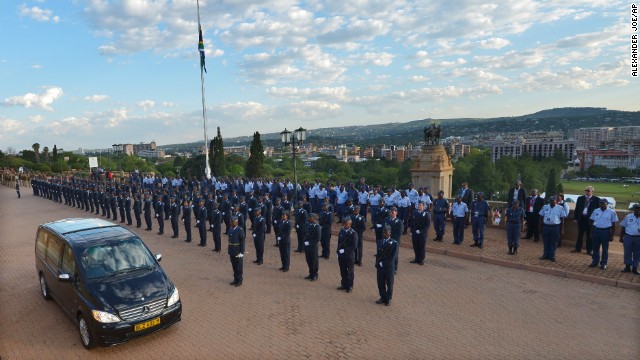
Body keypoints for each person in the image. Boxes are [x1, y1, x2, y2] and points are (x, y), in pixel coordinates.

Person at [588, 199, 618, 270]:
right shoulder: (596, 211)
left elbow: (613, 225)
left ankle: (603, 263)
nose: (601, 205)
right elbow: (592, 222)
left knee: (605, 248)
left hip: (606, 231)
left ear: (607, 204)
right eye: (600, 203)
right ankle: (595, 261)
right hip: (596, 230)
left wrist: (612, 235)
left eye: (603, 203)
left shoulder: (611, 212)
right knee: (595, 247)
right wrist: (591, 233)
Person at [538, 196, 567, 262]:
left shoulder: (560, 208)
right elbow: (541, 217)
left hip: (555, 227)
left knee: (554, 242)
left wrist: (562, 229)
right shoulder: (545, 207)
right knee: (546, 241)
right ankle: (545, 255)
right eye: (550, 201)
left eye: (553, 201)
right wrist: (539, 227)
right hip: (546, 226)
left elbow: (562, 219)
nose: (551, 202)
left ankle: (552, 256)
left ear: (555, 201)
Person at [573, 186, 600, 255]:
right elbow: (577, 208)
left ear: (592, 191)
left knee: (589, 235)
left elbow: (598, 211)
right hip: (581, 218)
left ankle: (589, 250)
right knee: (580, 234)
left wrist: (596, 220)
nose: (587, 192)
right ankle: (578, 248)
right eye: (586, 190)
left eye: (588, 190)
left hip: (590, 219)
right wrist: (575, 218)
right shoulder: (580, 198)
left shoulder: (596, 199)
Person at [375, 226, 398, 306]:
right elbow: (378, 254)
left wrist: (383, 263)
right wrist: (378, 263)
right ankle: (382, 297)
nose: (385, 234)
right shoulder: (379, 242)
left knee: (389, 283)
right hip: (380, 266)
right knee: (380, 283)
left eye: (386, 232)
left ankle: (388, 299)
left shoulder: (394, 243)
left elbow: (392, 257)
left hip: (388, 267)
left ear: (390, 233)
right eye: (384, 232)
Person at [336, 217, 358, 293]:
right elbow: (339, 242)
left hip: (349, 256)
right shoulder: (342, 231)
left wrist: (344, 250)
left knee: (350, 272)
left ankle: (350, 286)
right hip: (341, 255)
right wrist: (338, 252)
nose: (344, 225)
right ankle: (344, 284)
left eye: (346, 224)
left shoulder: (353, 233)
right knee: (343, 270)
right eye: (344, 223)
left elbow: (354, 245)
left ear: (350, 224)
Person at [619, 204, 640, 274]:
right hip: (628, 237)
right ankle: (627, 266)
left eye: (639, 209)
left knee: (637, 253)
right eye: (636, 208)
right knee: (627, 252)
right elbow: (623, 227)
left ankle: (635, 267)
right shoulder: (628, 217)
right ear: (634, 209)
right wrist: (621, 237)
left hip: (638, 238)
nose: (638, 210)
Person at [228, 216, 245, 287]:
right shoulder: (230, 229)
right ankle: (235, 279)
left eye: (233, 222)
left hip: (238, 251)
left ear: (236, 222)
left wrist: (241, 252)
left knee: (239, 267)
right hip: (232, 250)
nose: (231, 223)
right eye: (231, 222)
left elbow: (242, 242)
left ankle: (239, 280)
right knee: (234, 266)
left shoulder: (240, 230)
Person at [303, 213, 321, 281]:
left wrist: (309, 243)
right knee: (309, 260)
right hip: (307, 246)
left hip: (313, 246)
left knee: (314, 261)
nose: (309, 218)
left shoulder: (317, 227)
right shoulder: (308, 225)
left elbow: (317, 238)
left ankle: (315, 275)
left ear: (314, 218)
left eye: (310, 217)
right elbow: (306, 234)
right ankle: (311, 273)